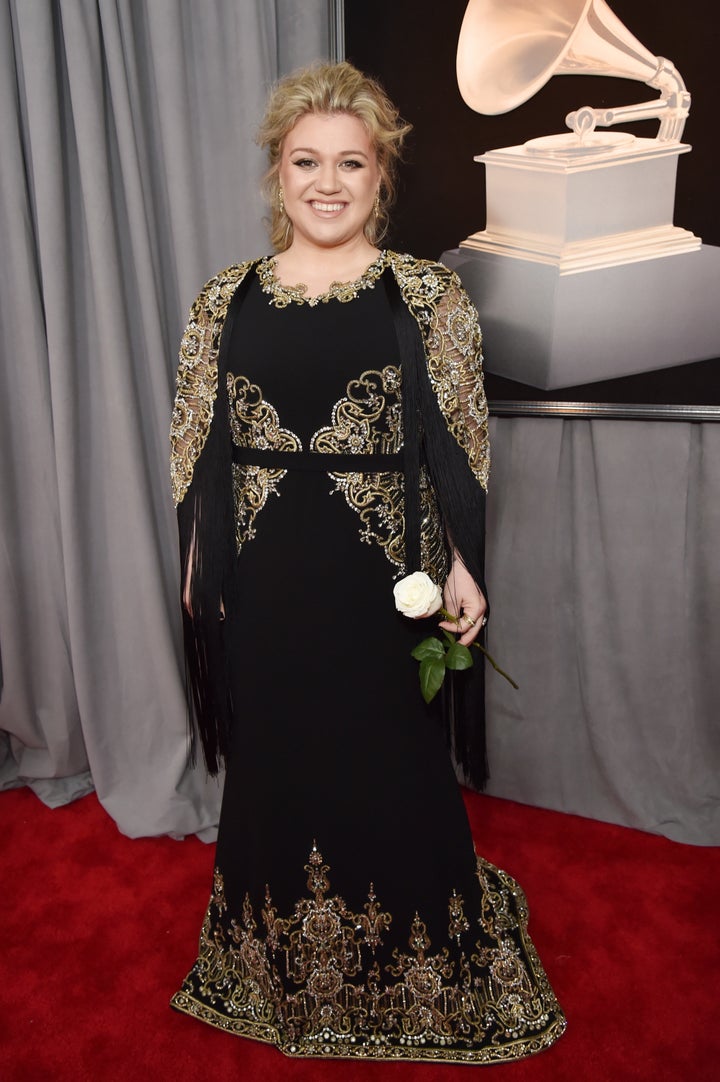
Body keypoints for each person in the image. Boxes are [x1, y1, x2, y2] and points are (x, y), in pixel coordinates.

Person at [169, 61, 565, 1065]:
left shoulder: (425, 295)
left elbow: (459, 441)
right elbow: (198, 443)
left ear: (381, 174)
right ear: (277, 172)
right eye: (307, 161)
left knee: (392, 770)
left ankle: (423, 963)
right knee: (278, 769)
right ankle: (278, 973)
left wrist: (464, 564)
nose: (328, 182)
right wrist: (197, 560)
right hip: (265, 587)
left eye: (352, 162)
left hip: (381, 588)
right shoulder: (225, 301)